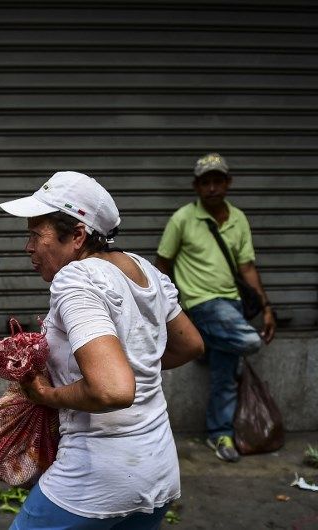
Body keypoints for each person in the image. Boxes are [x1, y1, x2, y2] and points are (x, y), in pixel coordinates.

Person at [0, 171, 204, 529]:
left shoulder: (76, 277)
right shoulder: (144, 270)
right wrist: (137, 363)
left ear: (77, 235)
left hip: (94, 478)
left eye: (36, 235)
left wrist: (46, 394)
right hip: (157, 472)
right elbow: (190, 345)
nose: (28, 247)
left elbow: (112, 389)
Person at [155, 153, 276, 463]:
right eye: (205, 182)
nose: (212, 188)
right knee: (250, 341)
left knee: (225, 374)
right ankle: (203, 340)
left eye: (217, 181)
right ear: (196, 186)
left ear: (227, 183)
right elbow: (163, 263)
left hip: (232, 306)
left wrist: (266, 307)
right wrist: (166, 310)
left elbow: (247, 267)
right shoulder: (183, 218)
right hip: (200, 303)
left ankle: (219, 433)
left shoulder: (238, 219)